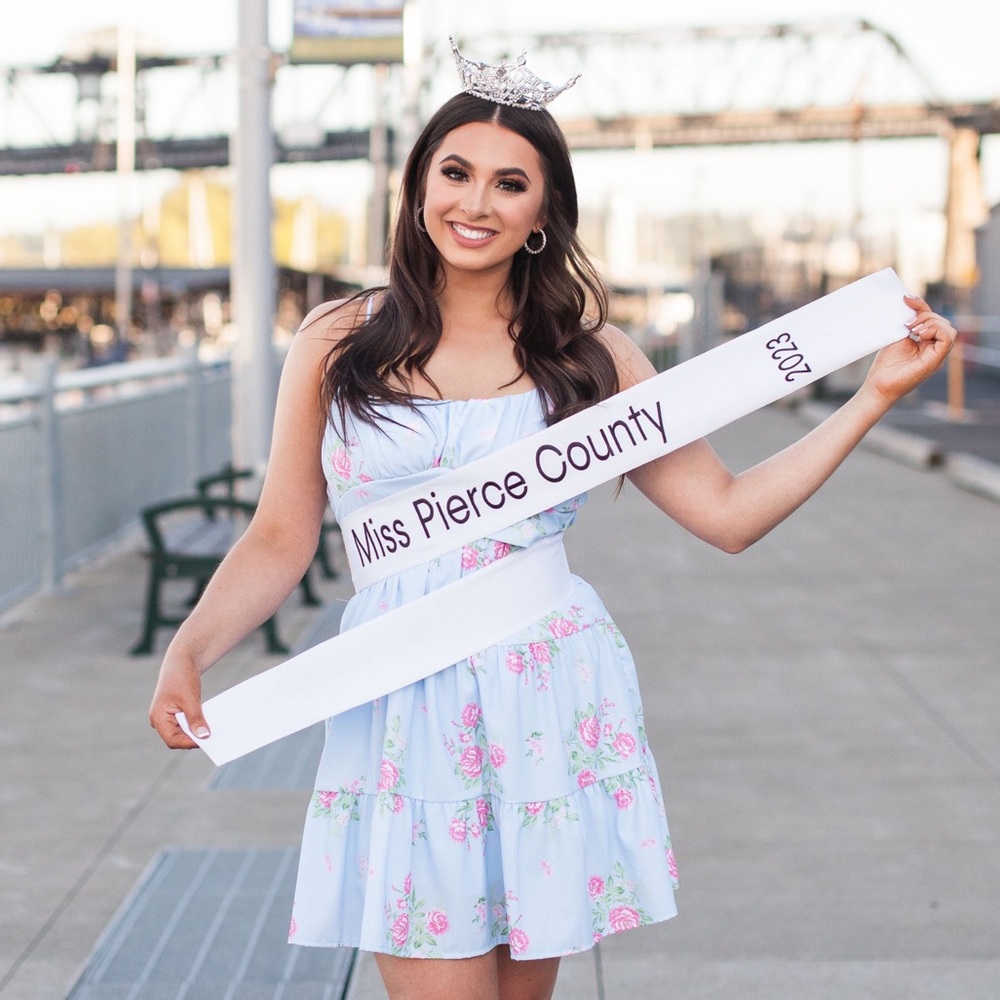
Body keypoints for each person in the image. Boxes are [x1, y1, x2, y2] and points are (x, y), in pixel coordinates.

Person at [149, 39, 956, 1000]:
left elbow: (728, 513)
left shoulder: (587, 357)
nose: (475, 203)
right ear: (417, 187)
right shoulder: (338, 343)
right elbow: (281, 536)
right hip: (403, 703)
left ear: (542, 213)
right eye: (455, 173)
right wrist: (189, 651)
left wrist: (868, 399)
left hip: (548, 699)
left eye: (509, 183)